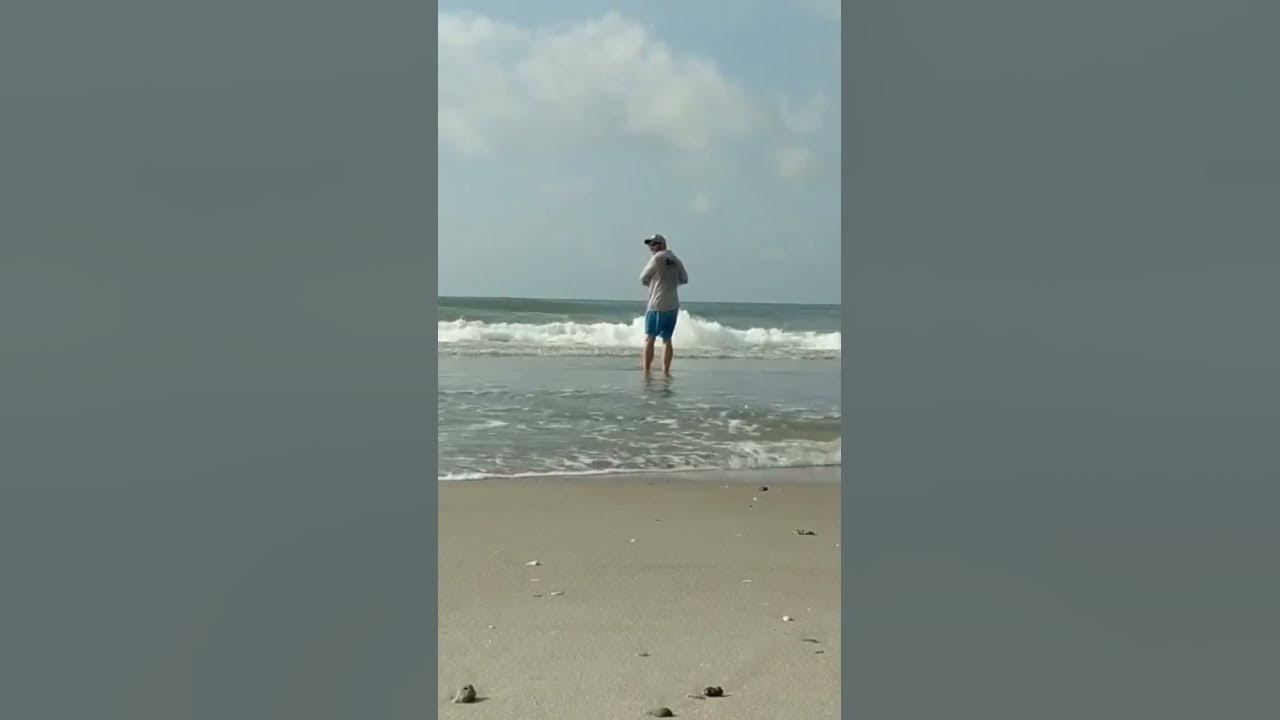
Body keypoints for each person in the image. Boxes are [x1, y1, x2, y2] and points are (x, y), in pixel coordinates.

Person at [638, 233, 689, 375]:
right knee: (667, 339)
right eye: (650, 245)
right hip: (672, 304)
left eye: (654, 244)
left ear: (662, 244)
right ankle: (665, 371)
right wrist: (670, 283)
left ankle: (646, 370)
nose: (651, 247)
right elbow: (684, 279)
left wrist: (653, 283)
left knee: (650, 337)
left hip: (656, 304)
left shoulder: (656, 259)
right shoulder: (676, 260)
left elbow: (642, 278)